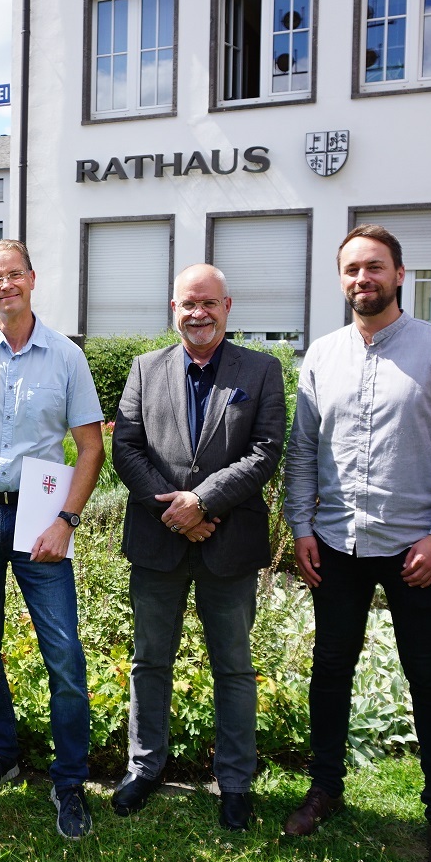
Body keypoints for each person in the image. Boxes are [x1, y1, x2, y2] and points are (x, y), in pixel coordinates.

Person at [281, 224, 431, 862]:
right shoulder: (322, 354)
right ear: (340, 280)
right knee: (330, 670)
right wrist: (302, 526)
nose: (361, 279)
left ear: (400, 275)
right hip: (337, 544)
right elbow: (304, 450)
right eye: (350, 270)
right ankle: (325, 788)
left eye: (374, 268)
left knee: (429, 679)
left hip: (414, 549)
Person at [0, 238, 106, 840]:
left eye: (15, 275)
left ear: (32, 279)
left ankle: (70, 781)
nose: (5, 286)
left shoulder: (64, 357)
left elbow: (90, 448)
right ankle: (0, 753)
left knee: (64, 653)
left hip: (41, 517)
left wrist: (66, 520)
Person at [110, 264, 285, 828]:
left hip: (228, 545)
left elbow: (264, 452)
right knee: (148, 661)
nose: (198, 313)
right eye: (188, 304)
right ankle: (144, 767)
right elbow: (127, 450)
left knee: (233, 667)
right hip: (159, 543)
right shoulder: (145, 368)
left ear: (228, 306)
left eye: (208, 303)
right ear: (173, 308)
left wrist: (202, 503)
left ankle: (235, 781)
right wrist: (177, 513)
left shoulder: (260, 371)